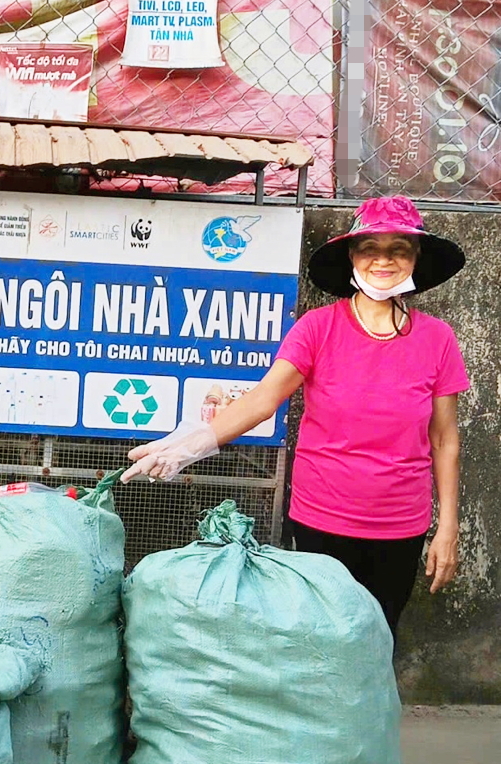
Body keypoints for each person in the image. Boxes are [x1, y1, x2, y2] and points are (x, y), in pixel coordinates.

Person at [124, 195, 468, 638]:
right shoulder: (317, 328)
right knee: (318, 639)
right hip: (321, 519)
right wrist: (190, 444)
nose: (384, 260)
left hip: (400, 525)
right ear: (352, 256)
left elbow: (444, 440)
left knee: (378, 639)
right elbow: (264, 399)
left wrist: (449, 527)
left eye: (399, 248)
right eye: (370, 248)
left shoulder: (437, 339)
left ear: (416, 258)